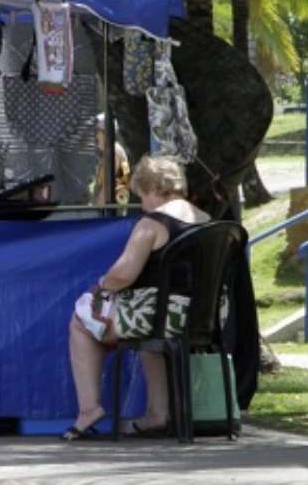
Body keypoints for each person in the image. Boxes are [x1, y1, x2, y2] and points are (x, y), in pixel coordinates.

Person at [64, 155, 210, 440]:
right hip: (204, 314)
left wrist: (102, 284)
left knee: (82, 321)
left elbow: (123, 275)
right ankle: (157, 415)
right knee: (148, 340)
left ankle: (88, 410)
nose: (142, 205)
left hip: (162, 315)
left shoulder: (152, 222)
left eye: (142, 195)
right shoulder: (204, 219)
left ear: (154, 188)